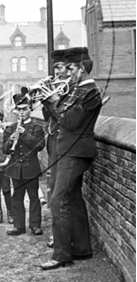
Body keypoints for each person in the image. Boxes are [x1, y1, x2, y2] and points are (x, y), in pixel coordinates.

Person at [40, 47, 102, 270]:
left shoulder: (90, 92)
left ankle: (62, 254)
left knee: (58, 201)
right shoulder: (77, 90)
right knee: (73, 200)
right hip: (69, 150)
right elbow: (61, 116)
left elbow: (70, 121)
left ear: (83, 68)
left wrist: (53, 100)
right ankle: (81, 249)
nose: (67, 71)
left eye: (71, 67)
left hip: (75, 152)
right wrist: (50, 101)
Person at [0, 93, 45, 236]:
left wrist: (24, 133)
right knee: (17, 197)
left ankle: (35, 225)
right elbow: (5, 149)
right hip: (15, 168)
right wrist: (11, 140)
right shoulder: (10, 128)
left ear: (30, 108)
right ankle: (18, 226)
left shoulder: (36, 127)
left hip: (30, 167)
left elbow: (39, 145)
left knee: (34, 197)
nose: (22, 112)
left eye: (24, 109)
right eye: (19, 109)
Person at [42, 48, 71, 248]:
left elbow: (65, 118)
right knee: (53, 189)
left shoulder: (70, 89)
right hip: (54, 140)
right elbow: (49, 118)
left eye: (59, 67)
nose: (56, 73)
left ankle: (61, 237)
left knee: (59, 194)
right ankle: (58, 233)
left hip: (65, 142)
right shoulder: (59, 87)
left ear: (69, 68)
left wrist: (53, 101)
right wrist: (45, 101)